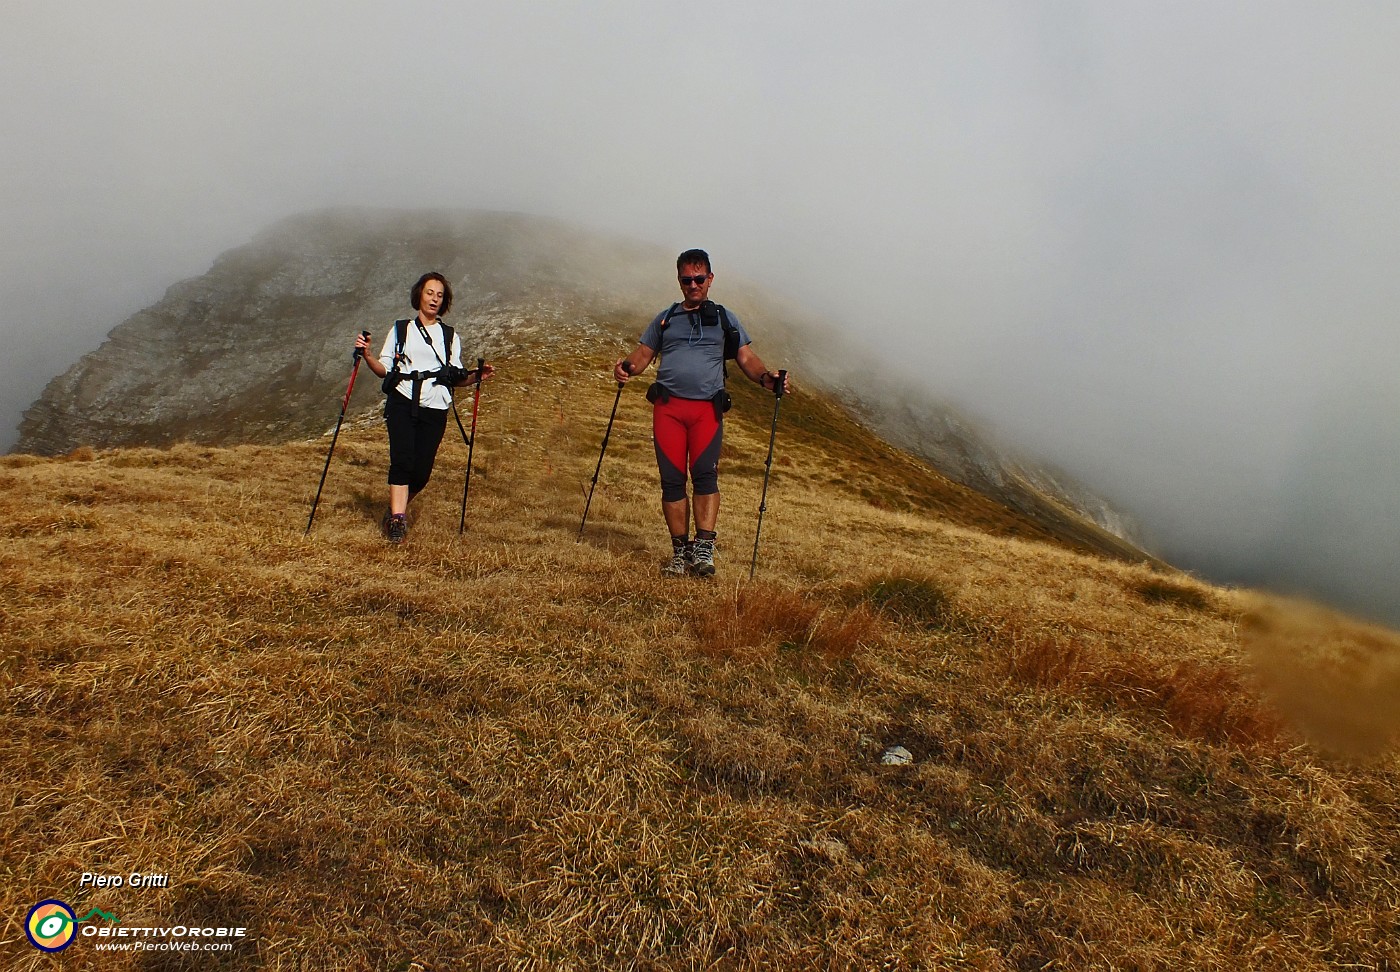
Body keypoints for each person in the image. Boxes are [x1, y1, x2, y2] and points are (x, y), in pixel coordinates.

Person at [613, 249, 792, 578]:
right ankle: (681, 553)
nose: (693, 284)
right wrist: (624, 369)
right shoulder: (666, 318)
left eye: (699, 278)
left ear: (710, 279)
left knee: (705, 475)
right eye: (686, 279)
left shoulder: (726, 318)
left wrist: (767, 379)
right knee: (672, 481)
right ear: (679, 281)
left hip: (706, 410)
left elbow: (746, 358)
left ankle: (704, 549)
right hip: (668, 409)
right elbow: (641, 355)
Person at [355, 271, 494, 544]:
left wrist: (477, 376)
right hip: (403, 401)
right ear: (419, 294)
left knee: (421, 472)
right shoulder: (400, 329)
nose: (434, 299)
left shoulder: (449, 336)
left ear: (444, 302)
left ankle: (398, 508)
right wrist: (367, 355)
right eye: (430, 293)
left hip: (435, 407)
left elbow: (455, 377)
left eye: (440, 295)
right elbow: (384, 370)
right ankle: (397, 519)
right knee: (402, 460)